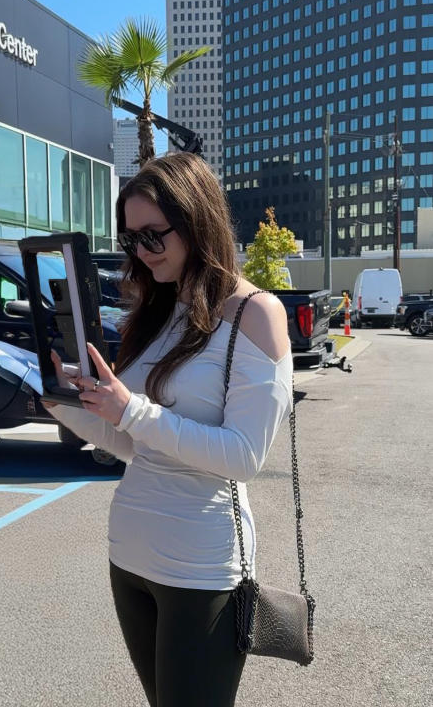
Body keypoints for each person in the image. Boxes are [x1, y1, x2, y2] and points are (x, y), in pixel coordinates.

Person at [43, 152, 293, 707]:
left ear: (196, 219)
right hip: (130, 553)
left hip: (200, 565)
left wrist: (131, 409)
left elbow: (245, 455)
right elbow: (132, 444)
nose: (140, 252)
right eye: (131, 239)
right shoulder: (158, 310)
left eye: (152, 235)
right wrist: (68, 403)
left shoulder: (256, 313)